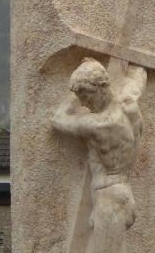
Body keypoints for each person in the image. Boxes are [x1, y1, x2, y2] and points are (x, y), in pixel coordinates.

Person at [51, 57, 146, 253]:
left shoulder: (99, 124)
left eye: (86, 95)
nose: (83, 103)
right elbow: (140, 73)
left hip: (108, 199)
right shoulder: (129, 100)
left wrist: (72, 94)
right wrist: (93, 68)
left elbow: (58, 120)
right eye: (80, 97)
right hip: (120, 194)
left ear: (102, 87)